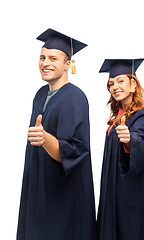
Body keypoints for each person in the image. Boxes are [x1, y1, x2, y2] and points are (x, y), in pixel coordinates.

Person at [17, 28, 96, 240]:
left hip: (63, 197)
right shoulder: (40, 94)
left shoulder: (75, 97)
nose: (45, 63)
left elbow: (74, 151)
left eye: (53, 58)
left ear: (68, 64)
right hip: (39, 189)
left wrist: (45, 139)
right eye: (42, 57)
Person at [97, 59, 144, 240]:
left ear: (133, 84)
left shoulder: (142, 115)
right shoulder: (117, 116)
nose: (115, 87)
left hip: (132, 195)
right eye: (111, 83)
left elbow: (142, 144)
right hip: (114, 190)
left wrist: (129, 141)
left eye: (120, 81)